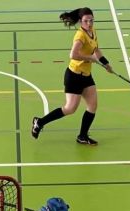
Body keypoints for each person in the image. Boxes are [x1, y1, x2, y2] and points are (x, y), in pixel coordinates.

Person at [31, 7, 113, 146]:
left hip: (86, 75)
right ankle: (39, 122)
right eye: (86, 21)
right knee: (70, 109)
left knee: (92, 106)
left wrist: (106, 63)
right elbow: (73, 55)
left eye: (91, 20)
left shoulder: (92, 31)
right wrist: (90, 58)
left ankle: (82, 136)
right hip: (74, 76)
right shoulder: (80, 36)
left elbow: (96, 49)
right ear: (81, 21)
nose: (89, 23)